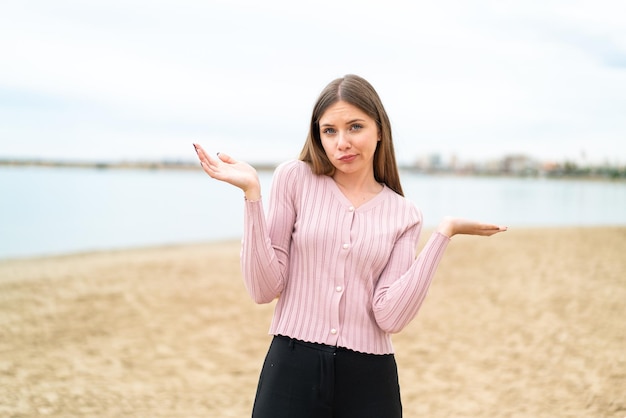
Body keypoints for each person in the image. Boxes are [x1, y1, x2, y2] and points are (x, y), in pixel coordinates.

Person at [193, 74, 506, 418]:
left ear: (379, 130)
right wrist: (252, 196)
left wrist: (442, 235)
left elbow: (390, 315)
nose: (342, 142)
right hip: (291, 366)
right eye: (330, 131)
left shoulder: (405, 214)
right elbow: (263, 288)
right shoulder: (294, 178)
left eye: (355, 127)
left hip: (370, 378)